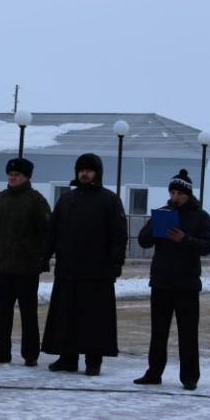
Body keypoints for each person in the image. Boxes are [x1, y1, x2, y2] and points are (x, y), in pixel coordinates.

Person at [40, 153, 128, 375]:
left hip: (97, 272)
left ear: (97, 173)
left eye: (89, 170)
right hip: (68, 269)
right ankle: (67, 358)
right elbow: (52, 231)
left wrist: (116, 263)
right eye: (81, 170)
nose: (84, 174)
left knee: (93, 319)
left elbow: (119, 235)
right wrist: (44, 256)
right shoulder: (66, 199)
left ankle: (93, 361)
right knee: (66, 316)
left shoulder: (109, 200)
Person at [134, 169, 210, 390]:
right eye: (172, 193)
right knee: (158, 332)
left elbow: (207, 246)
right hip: (161, 282)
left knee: (188, 333)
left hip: (187, 285)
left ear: (188, 195)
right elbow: (143, 241)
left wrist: (184, 239)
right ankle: (154, 373)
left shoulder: (200, 216)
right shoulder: (163, 213)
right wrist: (155, 228)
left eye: (179, 194)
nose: (175, 197)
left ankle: (190, 377)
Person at [0, 157, 50, 367]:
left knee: (28, 313)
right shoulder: (0, 199)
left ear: (26, 177)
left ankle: (30, 352)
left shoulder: (36, 200)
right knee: (3, 312)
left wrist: (42, 256)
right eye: (10, 174)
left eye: (17, 175)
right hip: (4, 266)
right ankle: (3, 350)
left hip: (27, 267)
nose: (12, 178)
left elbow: (46, 231)